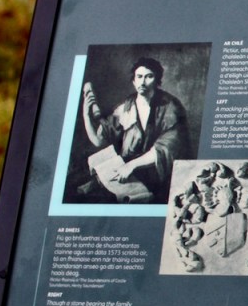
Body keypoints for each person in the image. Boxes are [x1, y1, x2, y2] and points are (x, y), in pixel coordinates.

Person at [80, 57, 189, 203]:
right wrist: (86, 115)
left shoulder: (171, 107)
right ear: (133, 80)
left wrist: (131, 165)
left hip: (156, 172)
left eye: (149, 76)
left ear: (157, 81)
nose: (142, 82)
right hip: (127, 167)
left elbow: (166, 148)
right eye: (139, 76)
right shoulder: (126, 106)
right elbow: (99, 141)